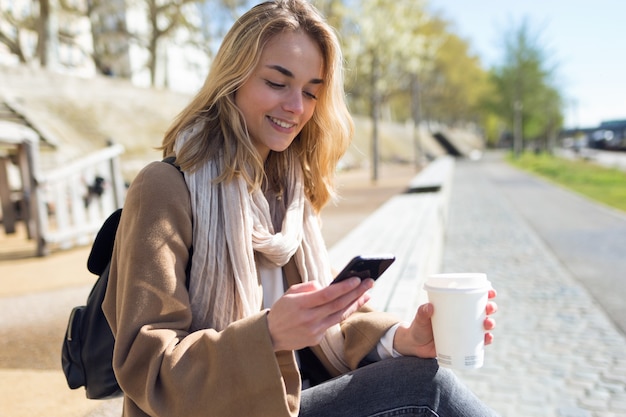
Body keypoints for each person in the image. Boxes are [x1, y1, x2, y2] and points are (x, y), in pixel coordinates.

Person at [102, 1, 499, 416]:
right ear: (232, 79)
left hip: (296, 398)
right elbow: (146, 367)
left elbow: (329, 323)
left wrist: (401, 338)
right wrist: (268, 335)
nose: (297, 106)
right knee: (426, 391)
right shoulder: (164, 188)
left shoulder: (291, 193)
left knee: (422, 369)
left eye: (311, 91)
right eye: (277, 82)